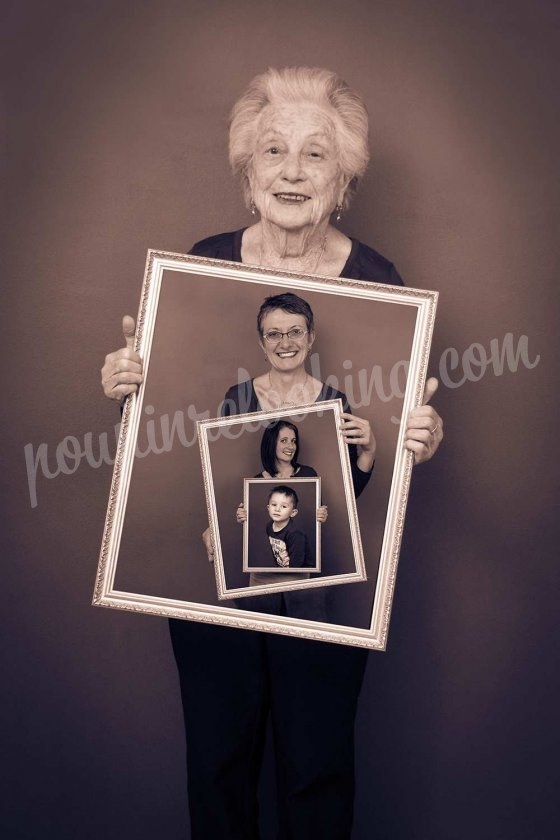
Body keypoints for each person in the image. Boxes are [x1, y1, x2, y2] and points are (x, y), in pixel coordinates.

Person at [101, 67, 443, 840]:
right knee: (218, 764)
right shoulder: (200, 266)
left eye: (316, 155)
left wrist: (413, 436)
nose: (293, 171)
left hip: (324, 580)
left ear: (345, 179)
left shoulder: (380, 284)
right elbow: (165, 433)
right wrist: (128, 388)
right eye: (273, 152)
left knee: (317, 767)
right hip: (211, 576)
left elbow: (380, 449)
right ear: (246, 176)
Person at [264, 485, 312, 569]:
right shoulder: (269, 526)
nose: (277, 509)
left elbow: (297, 564)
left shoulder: (295, 534)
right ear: (268, 508)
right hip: (284, 569)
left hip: (300, 572)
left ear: (293, 513)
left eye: (284, 506)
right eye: (274, 504)